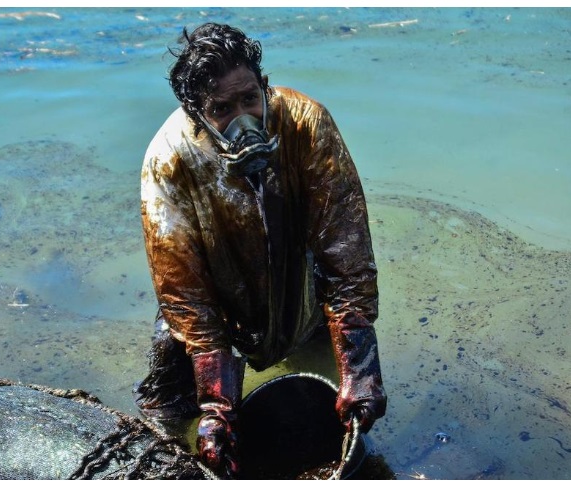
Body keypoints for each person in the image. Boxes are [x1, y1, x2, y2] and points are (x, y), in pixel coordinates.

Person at [134, 22, 387, 478]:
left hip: (298, 284)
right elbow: (183, 290)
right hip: (211, 306)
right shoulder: (167, 160)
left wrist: (361, 369)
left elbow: (344, 248)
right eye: (221, 109)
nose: (243, 118)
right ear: (195, 114)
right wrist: (216, 407)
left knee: (330, 379)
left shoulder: (305, 122)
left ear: (264, 87)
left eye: (250, 99)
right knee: (166, 415)